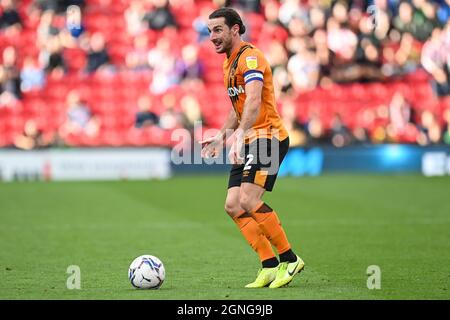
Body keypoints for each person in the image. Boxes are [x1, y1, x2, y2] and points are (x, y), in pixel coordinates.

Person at [200, 7, 304, 289]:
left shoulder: (251, 57)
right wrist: (222, 137)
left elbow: (255, 101)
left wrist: (239, 136)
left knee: (247, 199)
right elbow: (239, 107)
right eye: (210, 31)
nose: (212, 37)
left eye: (218, 30)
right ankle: (269, 265)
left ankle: (290, 259)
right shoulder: (229, 63)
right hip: (249, 139)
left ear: (235, 29)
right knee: (233, 205)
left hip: (267, 137)